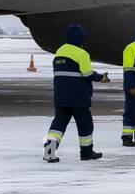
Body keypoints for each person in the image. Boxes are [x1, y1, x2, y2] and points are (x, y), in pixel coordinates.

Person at [42, 24, 109, 162]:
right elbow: (88, 74)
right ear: (80, 39)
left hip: (61, 98)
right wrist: (102, 77)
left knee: (57, 126)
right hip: (78, 98)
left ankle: (49, 152)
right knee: (85, 126)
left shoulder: (60, 51)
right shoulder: (81, 53)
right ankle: (86, 153)